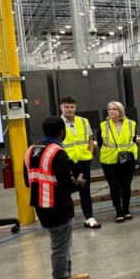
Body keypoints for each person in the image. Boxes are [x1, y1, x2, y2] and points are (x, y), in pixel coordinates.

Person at [23, 116, 90, 279]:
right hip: (58, 206)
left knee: (63, 244)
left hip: (41, 205)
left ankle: (66, 277)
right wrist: (79, 183)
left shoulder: (30, 151)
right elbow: (67, 185)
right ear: (62, 132)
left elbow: (27, 182)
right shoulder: (57, 153)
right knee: (60, 248)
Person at [59, 96, 100, 229]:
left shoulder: (83, 121)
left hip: (83, 160)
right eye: (66, 107)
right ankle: (65, 219)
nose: (69, 109)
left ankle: (89, 217)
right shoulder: (57, 123)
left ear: (75, 107)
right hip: (66, 163)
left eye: (72, 107)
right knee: (64, 191)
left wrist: (89, 154)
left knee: (85, 190)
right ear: (61, 107)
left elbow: (90, 139)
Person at [97, 101, 137, 222]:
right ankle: (118, 211)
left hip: (127, 160)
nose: (111, 111)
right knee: (114, 186)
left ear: (120, 111)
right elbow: (100, 143)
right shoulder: (103, 125)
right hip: (109, 160)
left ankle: (126, 209)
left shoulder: (132, 124)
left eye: (114, 109)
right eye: (109, 109)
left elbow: (134, 140)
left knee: (126, 185)